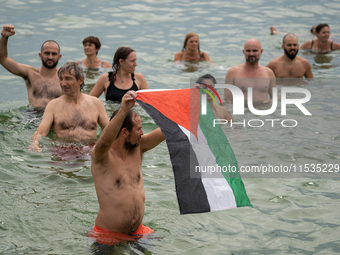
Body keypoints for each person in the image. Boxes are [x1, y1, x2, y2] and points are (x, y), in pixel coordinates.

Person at [90, 90, 164, 243]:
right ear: (124, 132)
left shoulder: (139, 147)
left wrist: (191, 109)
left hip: (138, 231)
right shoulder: (102, 156)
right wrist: (124, 110)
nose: (142, 133)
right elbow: (103, 142)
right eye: (138, 129)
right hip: (108, 235)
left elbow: (168, 130)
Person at [28, 62, 109, 152]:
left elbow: (110, 131)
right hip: (63, 152)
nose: (63, 84)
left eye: (68, 79)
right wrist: (34, 142)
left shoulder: (96, 103)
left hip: (90, 151)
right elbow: (41, 132)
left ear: (80, 80)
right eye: (61, 79)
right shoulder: (53, 105)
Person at [0, 24, 62, 109]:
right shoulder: (30, 74)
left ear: (59, 57)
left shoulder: (64, 78)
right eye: (47, 53)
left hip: (54, 116)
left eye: (54, 54)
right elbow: (3, 59)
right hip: (31, 116)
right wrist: (4, 37)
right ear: (40, 55)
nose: (50, 57)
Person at [224, 38, 276, 105]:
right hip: (243, 113)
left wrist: (270, 102)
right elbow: (227, 101)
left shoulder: (268, 73)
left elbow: (275, 98)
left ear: (261, 52)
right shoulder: (233, 73)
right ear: (243, 52)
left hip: (263, 112)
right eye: (248, 51)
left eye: (255, 51)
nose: (251, 54)